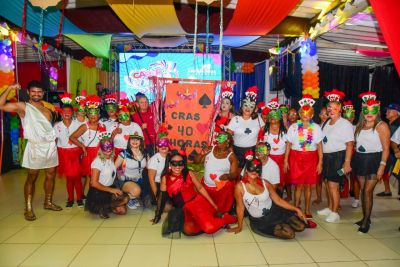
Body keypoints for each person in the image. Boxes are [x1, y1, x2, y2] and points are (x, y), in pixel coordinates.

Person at [0, 82, 62, 221]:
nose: (36, 94)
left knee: (51, 175)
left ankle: (48, 202)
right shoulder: (23, 106)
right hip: (35, 146)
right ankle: (28, 208)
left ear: (43, 92)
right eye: (33, 92)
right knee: (32, 177)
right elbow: (1, 105)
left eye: (39, 92)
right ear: (28, 92)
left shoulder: (46, 106)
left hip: (50, 146)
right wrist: (9, 88)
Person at [152, 150, 237, 238]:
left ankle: (225, 219)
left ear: (183, 164)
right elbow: (162, 197)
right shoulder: (165, 178)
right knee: (188, 230)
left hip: (197, 204)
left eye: (180, 163)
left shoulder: (188, 173)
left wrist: (214, 205)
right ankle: (210, 222)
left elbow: (200, 188)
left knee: (209, 229)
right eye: (174, 163)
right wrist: (157, 216)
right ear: (169, 164)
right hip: (184, 210)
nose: (177, 166)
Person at [227, 157, 306, 239]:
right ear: (246, 170)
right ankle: (283, 224)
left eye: (257, 169)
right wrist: (239, 226)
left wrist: (296, 209)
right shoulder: (239, 187)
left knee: (301, 227)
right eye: (251, 168)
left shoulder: (265, 183)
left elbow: (278, 200)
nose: (254, 171)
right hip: (261, 221)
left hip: (275, 211)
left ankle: (286, 222)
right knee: (290, 234)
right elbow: (240, 207)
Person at [352, 92, 390, 233]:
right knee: (363, 190)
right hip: (361, 160)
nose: (369, 113)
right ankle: (364, 217)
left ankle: (366, 221)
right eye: (366, 110)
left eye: (373, 110)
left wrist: (382, 166)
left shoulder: (381, 126)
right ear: (363, 111)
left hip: (374, 161)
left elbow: (386, 149)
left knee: (368, 191)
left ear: (378, 110)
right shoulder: (359, 126)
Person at [284, 95, 323, 228]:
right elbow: (288, 144)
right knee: (298, 186)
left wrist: (320, 163)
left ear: (311, 114)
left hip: (311, 158)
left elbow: (319, 146)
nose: (305, 116)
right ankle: (296, 208)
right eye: (303, 113)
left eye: (308, 113)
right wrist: (285, 161)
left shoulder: (316, 127)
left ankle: (307, 209)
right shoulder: (294, 127)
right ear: (300, 114)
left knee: (308, 186)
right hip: (296, 157)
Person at [317, 90, 354, 223]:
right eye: (329, 108)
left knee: (334, 185)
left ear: (340, 109)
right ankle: (330, 207)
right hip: (327, 157)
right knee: (327, 183)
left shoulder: (345, 124)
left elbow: (350, 144)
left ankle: (335, 211)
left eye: (335, 107)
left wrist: (347, 163)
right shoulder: (327, 123)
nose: (331, 110)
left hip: (338, 157)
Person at [194, 131, 239, 213]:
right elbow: (196, 161)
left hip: (221, 190)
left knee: (219, 211)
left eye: (220, 138)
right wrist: (201, 154)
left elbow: (235, 174)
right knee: (205, 210)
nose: (217, 140)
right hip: (206, 187)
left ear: (228, 141)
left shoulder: (231, 157)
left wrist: (228, 176)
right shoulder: (210, 149)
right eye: (217, 138)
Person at [85, 135, 129, 219]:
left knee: (125, 200)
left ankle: (111, 207)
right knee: (122, 206)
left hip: (109, 188)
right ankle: (104, 207)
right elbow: (93, 183)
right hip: (99, 192)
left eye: (110, 147)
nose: (108, 149)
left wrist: (115, 188)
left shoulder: (110, 158)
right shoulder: (97, 162)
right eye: (105, 147)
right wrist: (112, 190)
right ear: (101, 148)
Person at [54, 93, 84, 208]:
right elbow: (55, 140)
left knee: (77, 177)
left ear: (73, 113)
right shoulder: (57, 126)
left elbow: (82, 139)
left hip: (76, 153)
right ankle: (70, 198)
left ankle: (79, 198)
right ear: (61, 113)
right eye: (64, 111)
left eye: (69, 111)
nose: (66, 113)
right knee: (69, 177)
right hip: (64, 154)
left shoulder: (78, 124)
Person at [69, 95, 106, 183]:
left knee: (100, 175)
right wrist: (82, 146)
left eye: (95, 114)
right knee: (90, 175)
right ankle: (86, 195)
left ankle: (96, 194)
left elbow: (105, 140)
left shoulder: (102, 126)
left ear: (99, 115)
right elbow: (72, 137)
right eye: (90, 114)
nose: (92, 116)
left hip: (100, 153)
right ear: (87, 115)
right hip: (89, 153)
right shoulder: (84, 126)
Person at [226, 86, 264, 170]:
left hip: (252, 150)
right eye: (245, 105)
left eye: (251, 106)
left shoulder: (258, 118)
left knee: (249, 172)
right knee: (237, 173)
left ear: (254, 109)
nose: (248, 108)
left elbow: (264, 132)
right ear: (242, 106)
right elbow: (227, 137)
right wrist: (231, 151)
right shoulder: (235, 119)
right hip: (236, 151)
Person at [114, 132, 149, 209]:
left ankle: (133, 196)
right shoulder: (124, 154)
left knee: (146, 194)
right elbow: (114, 167)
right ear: (129, 141)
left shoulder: (145, 153)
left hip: (140, 180)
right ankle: (127, 198)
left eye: (137, 140)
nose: (135, 141)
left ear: (141, 142)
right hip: (126, 180)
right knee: (136, 191)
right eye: (132, 139)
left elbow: (149, 167)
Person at [262, 98, 288, 193]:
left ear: (280, 118)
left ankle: (279, 198)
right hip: (269, 158)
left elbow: (289, 145)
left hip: (281, 158)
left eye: (276, 116)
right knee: (268, 179)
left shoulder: (285, 131)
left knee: (281, 180)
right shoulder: (264, 131)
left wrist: (286, 160)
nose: (274, 119)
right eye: (271, 116)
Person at [376, 103, 400, 197]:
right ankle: (387, 190)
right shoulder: (389, 124)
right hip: (389, 152)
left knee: (396, 173)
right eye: (387, 110)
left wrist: (396, 151)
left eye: (390, 111)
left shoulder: (397, 125)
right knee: (386, 171)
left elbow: (392, 140)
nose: (387, 112)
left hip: (394, 154)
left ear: (397, 113)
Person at [342, 100, 360, 208]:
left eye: (351, 115)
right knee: (341, 174)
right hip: (342, 154)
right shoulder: (340, 127)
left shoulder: (357, 127)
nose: (349, 118)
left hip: (354, 155)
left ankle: (356, 198)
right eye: (347, 116)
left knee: (355, 177)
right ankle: (341, 193)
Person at [148, 125, 170, 201]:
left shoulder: (172, 157)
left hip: (169, 184)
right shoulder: (154, 159)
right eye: (160, 144)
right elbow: (151, 179)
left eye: (165, 143)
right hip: (157, 185)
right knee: (166, 207)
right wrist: (157, 196)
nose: (163, 146)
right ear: (157, 147)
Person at [313, 106, 329, 205]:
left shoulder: (332, 125)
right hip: (318, 154)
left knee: (329, 180)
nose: (324, 116)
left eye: (326, 114)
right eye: (322, 114)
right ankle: (319, 197)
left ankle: (333, 201)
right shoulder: (316, 126)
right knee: (318, 178)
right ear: (319, 115)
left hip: (328, 154)